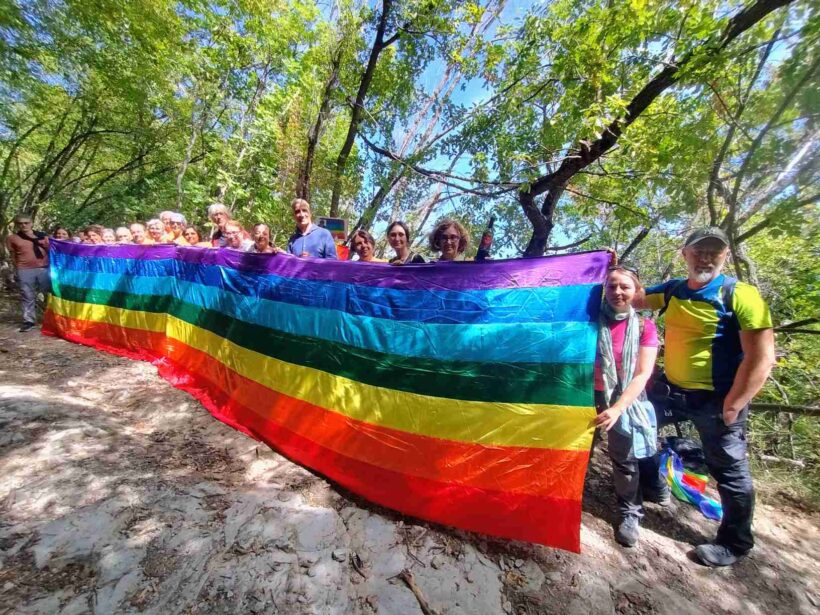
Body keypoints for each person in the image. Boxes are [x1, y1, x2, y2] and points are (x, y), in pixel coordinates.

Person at [635, 227, 775, 567]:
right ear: (685, 254)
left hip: (718, 401)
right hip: (671, 391)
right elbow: (632, 299)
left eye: (714, 251)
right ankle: (654, 486)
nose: (706, 258)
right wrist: (607, 270)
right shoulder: (673, 290)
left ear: (725, 255)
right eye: (699, 251)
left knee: (729, 470)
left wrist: (736, 403)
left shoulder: (740, 295)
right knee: (637, 430)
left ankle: (735, 543)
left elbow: (762, 357)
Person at [593, 264, 663, 548]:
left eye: (625, 286)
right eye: (611, 286)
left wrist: (618, 408)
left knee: (624, 457)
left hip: (624, 396)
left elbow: (642, 374)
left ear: (636, 291)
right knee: (578, 448)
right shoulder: (589, 320)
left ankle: (630, 513)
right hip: (586, 393)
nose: (617, 292)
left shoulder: (645, 327)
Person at [7, 214, 50, 332]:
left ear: (31, 223)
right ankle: (29, 321)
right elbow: (12, 254)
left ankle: (50, 318)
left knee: (49, 293)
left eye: (26, 223)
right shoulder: (12, 238)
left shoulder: (43, 236)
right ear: (17, 225)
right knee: (27, 294)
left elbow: (53, 250)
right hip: (24, 269)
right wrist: (17, 267)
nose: (23, 225)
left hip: (44, 268)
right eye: (20, 223)